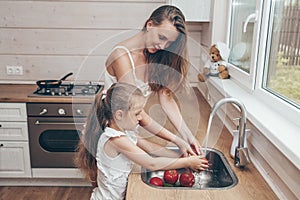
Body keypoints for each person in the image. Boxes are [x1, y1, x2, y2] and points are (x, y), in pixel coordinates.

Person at [78, 82, 208, 200]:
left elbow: (151, 148)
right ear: (119, 114)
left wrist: (181, 156)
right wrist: (188, 161)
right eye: (137, 113)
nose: (140, 118)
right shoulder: (116, 140)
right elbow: (151, 163)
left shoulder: (124, 132)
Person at [104, 5, 202, 156]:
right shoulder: (121, 56)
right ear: (150, 25)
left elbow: (166, 98)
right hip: (113, 136)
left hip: (130, 132)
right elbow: (135, 110)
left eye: (169, 43)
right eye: (161, 37)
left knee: (177, 159)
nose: (163, 46)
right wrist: (177, 140)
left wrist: (188, 136)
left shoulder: (154, 56)